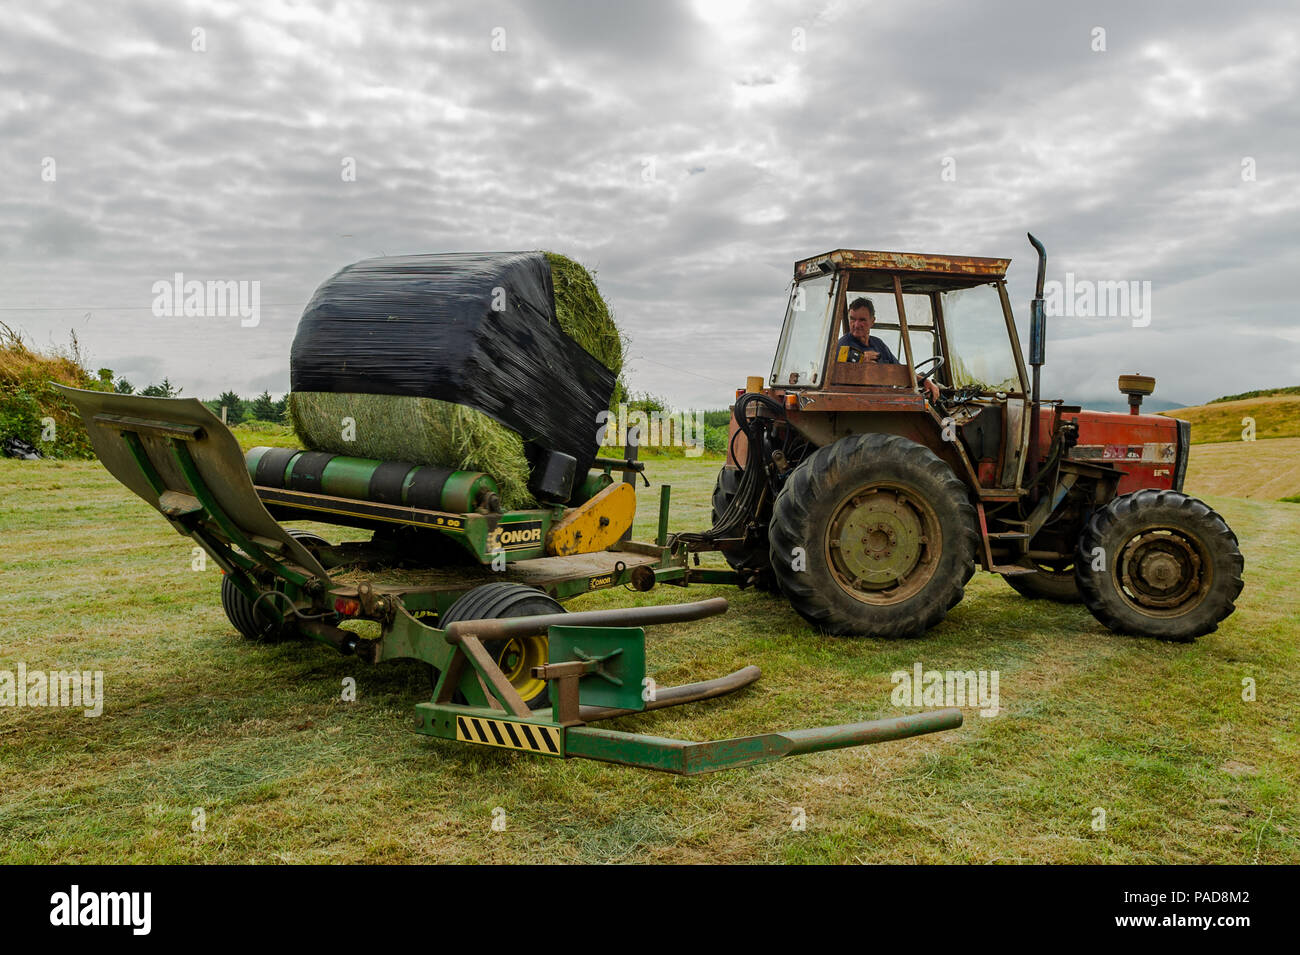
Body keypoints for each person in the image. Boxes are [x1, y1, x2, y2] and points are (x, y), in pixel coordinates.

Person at [837, 296, 941, 402]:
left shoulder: (879, 344)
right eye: (852, 319)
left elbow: (900, 371)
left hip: (885, 401)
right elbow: (836, 372)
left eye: (862, 320)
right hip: (858, 404)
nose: (856, 324)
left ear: (872, 321)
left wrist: (925, 381)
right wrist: (858, 361)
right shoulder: (842, 346)